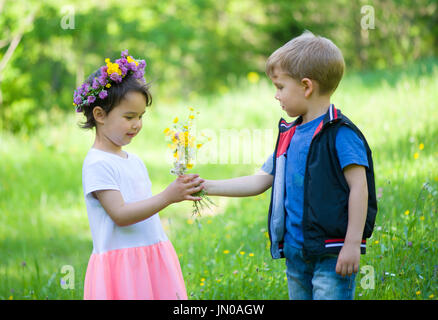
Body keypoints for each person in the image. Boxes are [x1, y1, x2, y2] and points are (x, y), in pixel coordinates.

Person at [203, 31, 377, 300]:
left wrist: (352, 244)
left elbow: (360, 188)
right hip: (296, 254)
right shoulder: (289, 135)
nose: (276, 95)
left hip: (332, 254)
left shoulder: (341, 134)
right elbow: (261, 179)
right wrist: (206, 186)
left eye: (280, 87)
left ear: (306, 86)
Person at [73, 50, 204, 300]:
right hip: (122, 265)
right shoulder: (97, 164)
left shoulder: (134, 160)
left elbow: (141, 207)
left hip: (152, 253)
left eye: (141, 116)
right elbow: (120, 215)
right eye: (129, 117)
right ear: (99, 115)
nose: (137, 124)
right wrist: (168, 196)